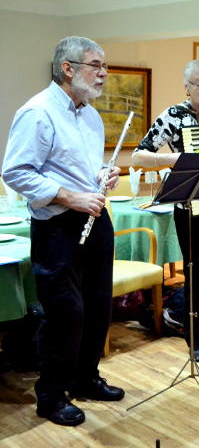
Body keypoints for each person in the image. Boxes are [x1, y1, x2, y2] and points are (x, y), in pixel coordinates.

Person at [2, 36, 124, 426]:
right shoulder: (36, 112)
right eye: (95, 65)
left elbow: (84, 168)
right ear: (67, 68)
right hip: (58, 226)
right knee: (65, 314)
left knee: (98, 305)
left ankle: (86, 379)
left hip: (95, 218)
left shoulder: (89, 114)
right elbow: (16, 172)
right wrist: (71, 197)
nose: (103, 73)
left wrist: (104, 175)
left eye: (105, 65)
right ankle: (51, 397)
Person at [131, 60, 199, 362]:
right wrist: (175, 159)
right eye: (198, 83)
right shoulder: (173, 116)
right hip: (191, 209)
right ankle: (196, 338)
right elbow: (140, 155)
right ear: (187, 87)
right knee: (196, 274)